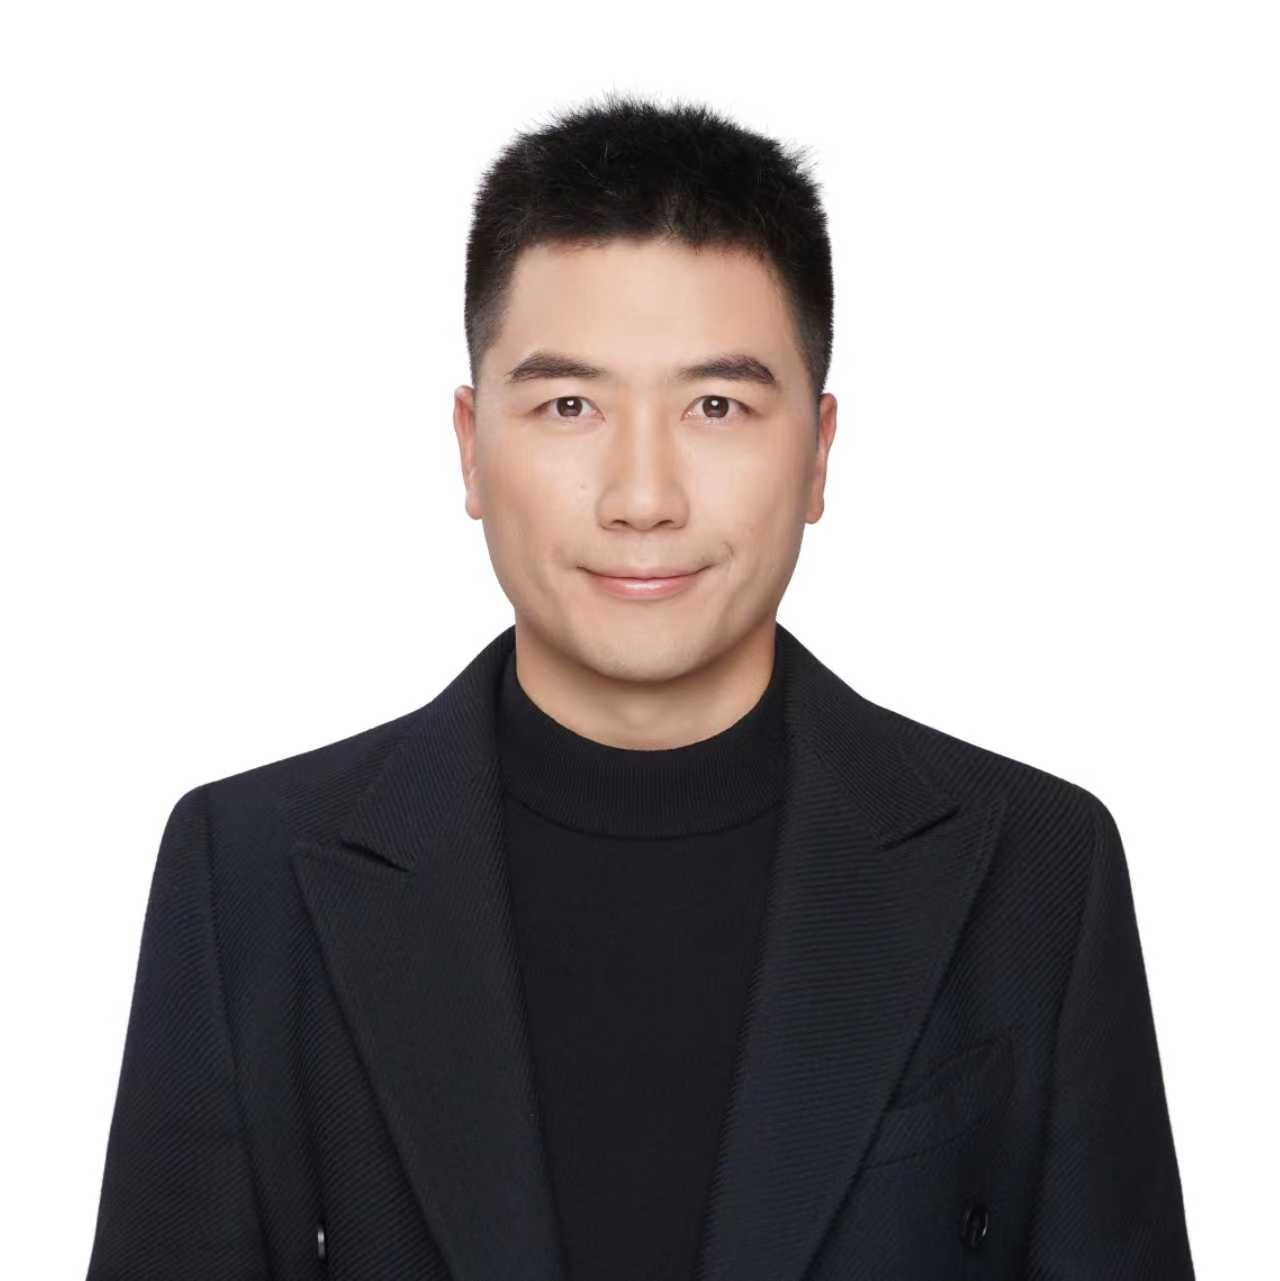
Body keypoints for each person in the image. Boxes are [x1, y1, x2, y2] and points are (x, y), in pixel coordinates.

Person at [86, 91, 1196, 1280]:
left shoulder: (1035, 871)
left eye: (715, 406)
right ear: (470, 445)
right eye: (569, 406)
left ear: (817, 453)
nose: (641, 497)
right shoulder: (246, 877)